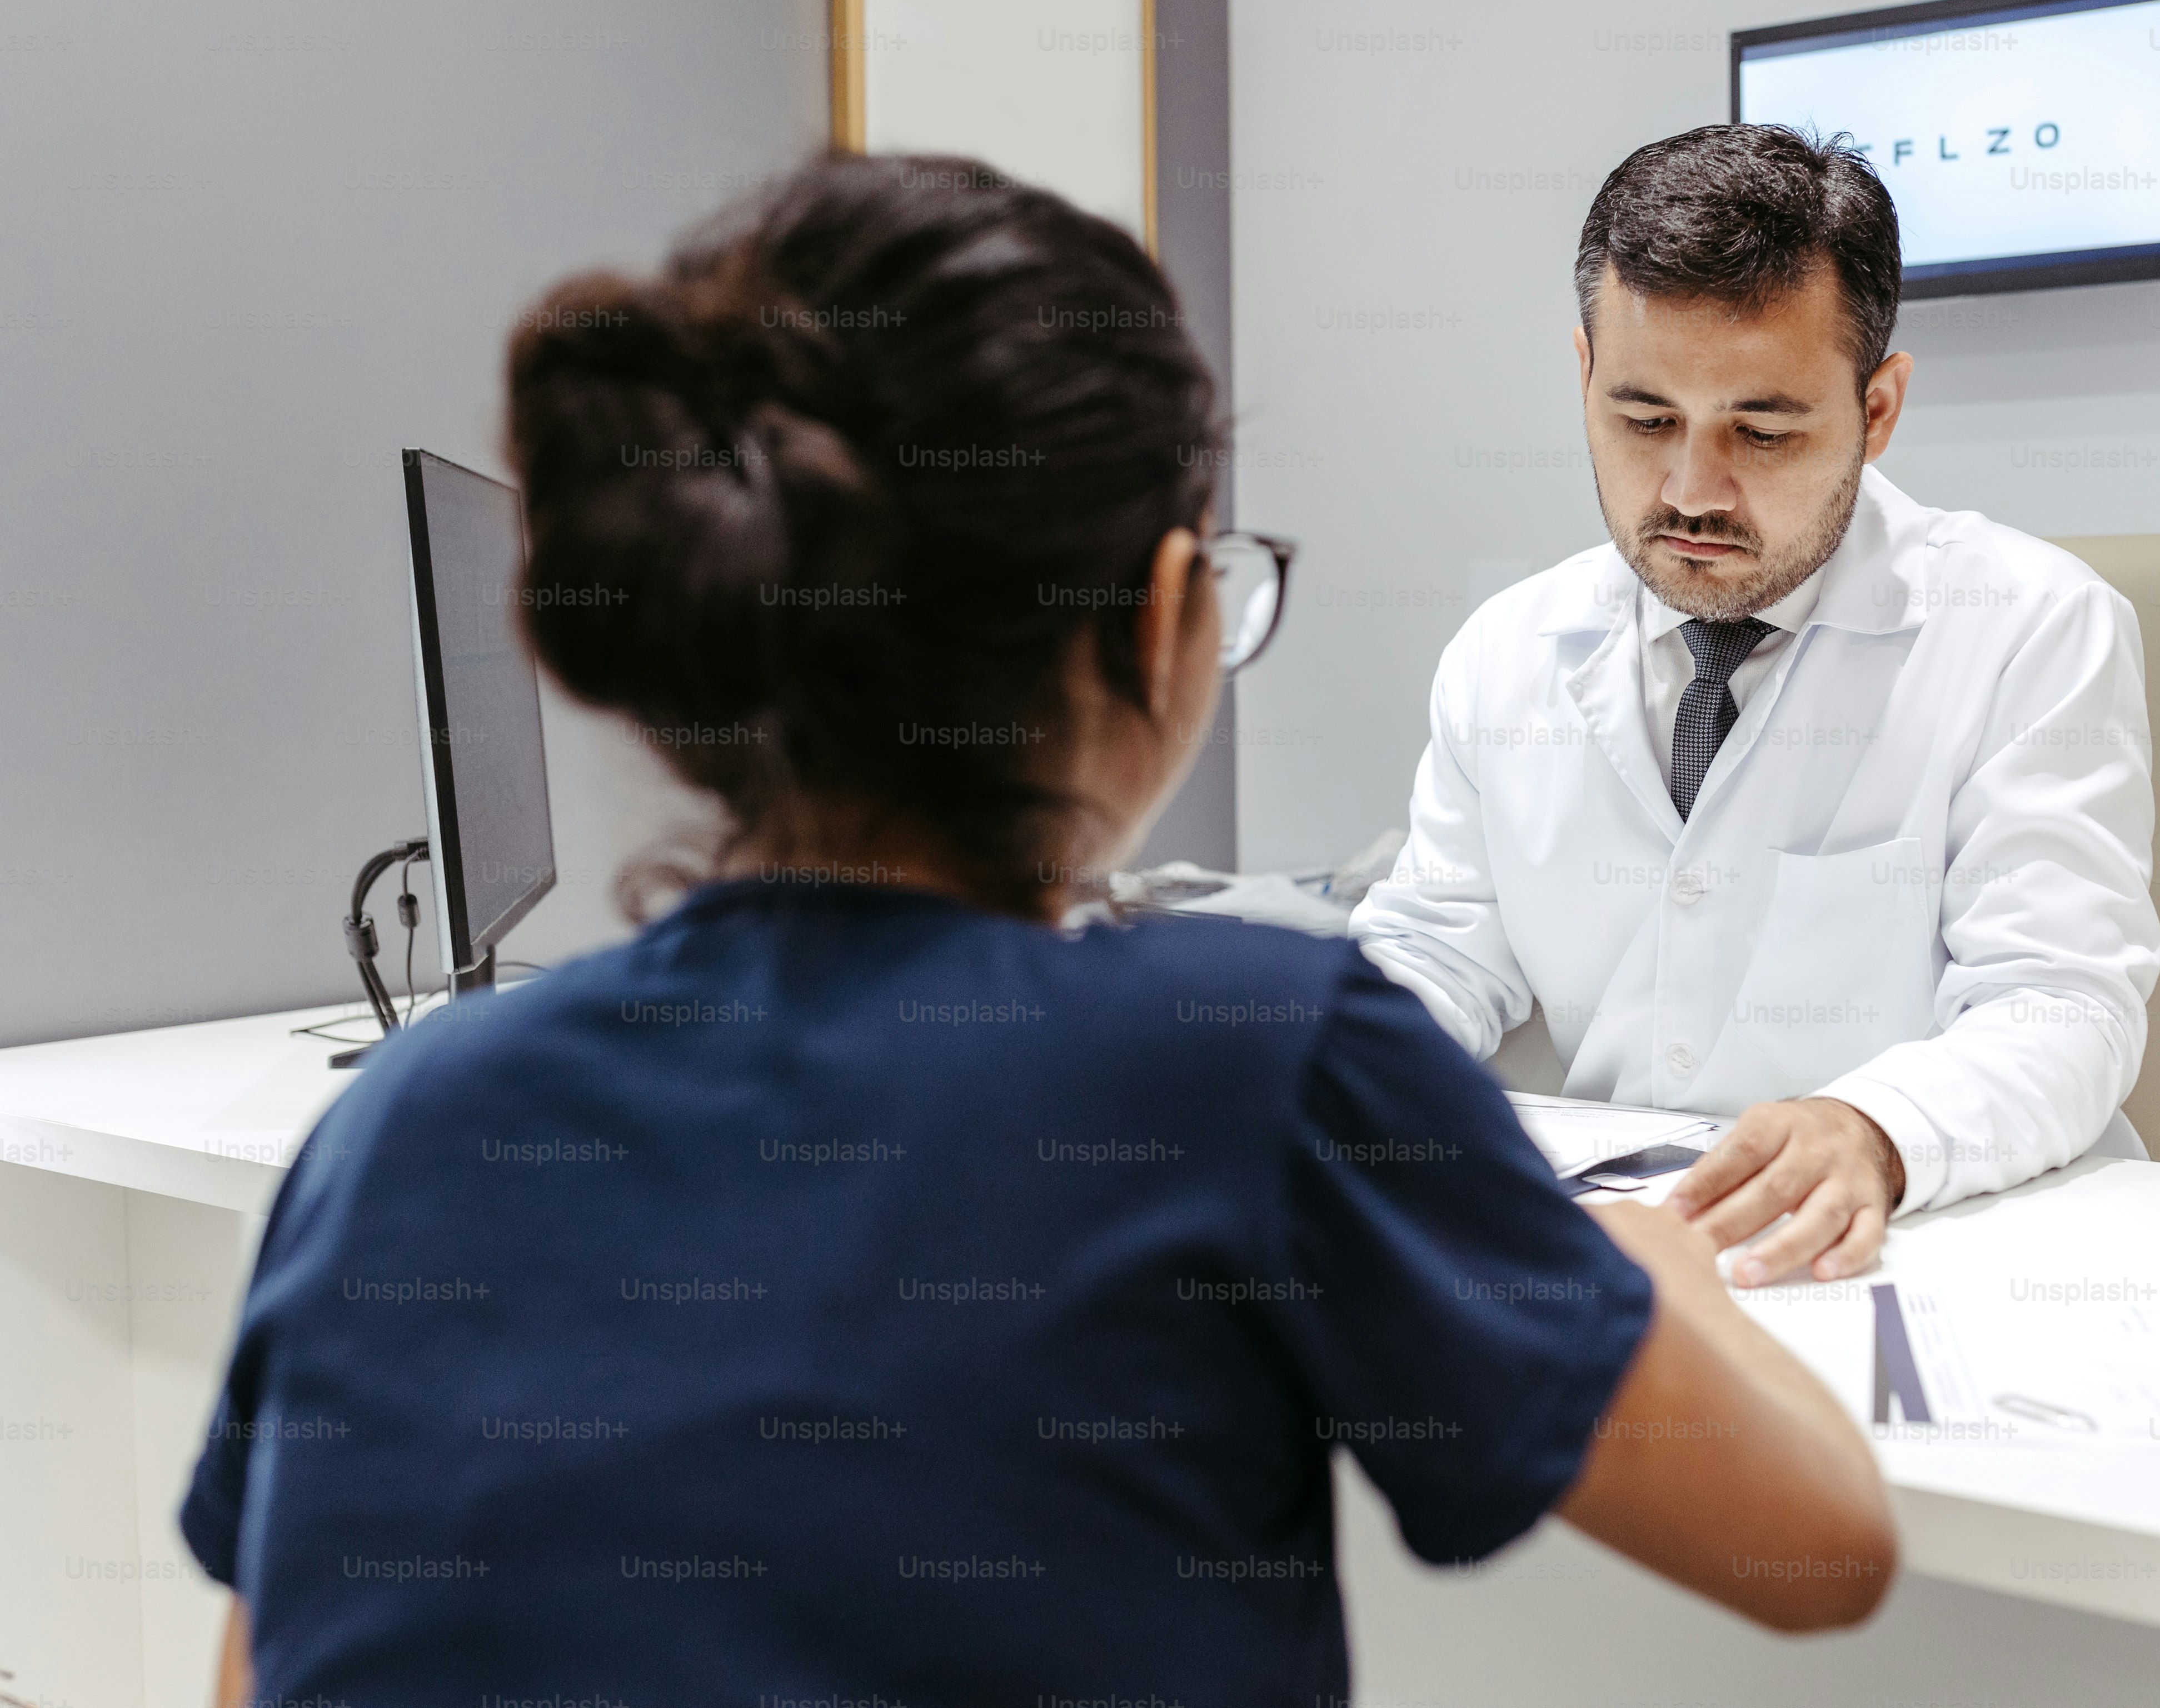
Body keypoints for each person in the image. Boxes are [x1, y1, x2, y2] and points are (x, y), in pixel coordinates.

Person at [182, 153, 1893, 1708]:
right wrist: (1641, 1277)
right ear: (1166, 621)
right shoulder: (1246, 1045)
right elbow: (1822, 1543)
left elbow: (256, 1665)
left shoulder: (404, 1115)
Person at [1351, 124, 2160, 1289]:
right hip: (1625, 1239)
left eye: (1763, 431)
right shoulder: (1508, 652)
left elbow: (2061, 1003)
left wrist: (1873, 1127)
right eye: (1642, 421)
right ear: (1582, 371)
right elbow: (1436, 951)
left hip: (1943, 1243)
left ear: (1877, 409)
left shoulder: (2029, 628)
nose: (1690, 492)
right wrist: (1329, 1071)